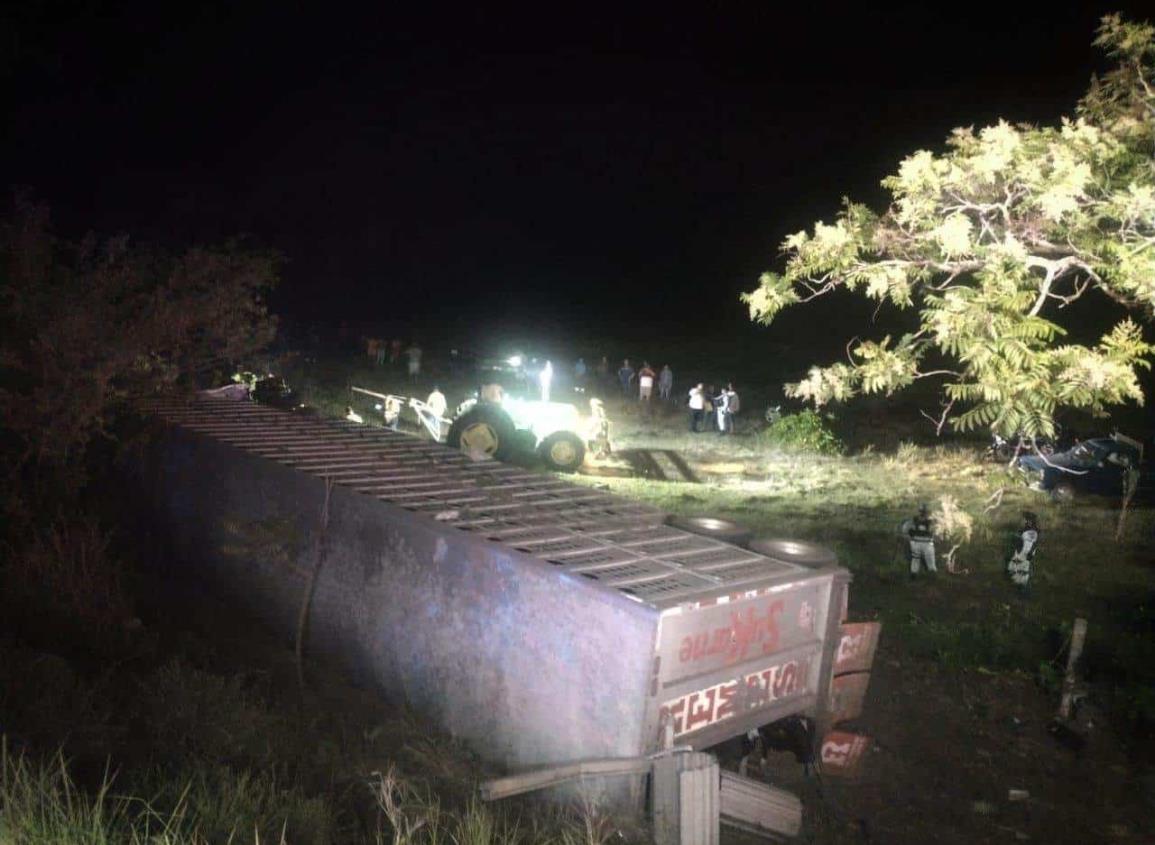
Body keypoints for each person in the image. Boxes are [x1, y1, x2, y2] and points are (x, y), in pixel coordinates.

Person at [1006, 511, 1040, 596]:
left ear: (1029, 521)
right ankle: (1020, 589)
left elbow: (1031, 543)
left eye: (1025, 519)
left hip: (1024, 553)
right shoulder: (1031, 530)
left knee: (1021, 570)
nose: (1024, 521)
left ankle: (1023, 591)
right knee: (1020, 570)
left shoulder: (1030, 531)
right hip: (1024, 553)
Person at [902, 504, 937, 578]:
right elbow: (935, 532)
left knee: (915, 559)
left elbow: (905, 529)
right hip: (927, 544)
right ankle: (932, 575)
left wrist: (908, 537)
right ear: (927, 512)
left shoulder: (913, 520)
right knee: (930, 561)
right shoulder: (931, 522)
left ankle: (914, 575)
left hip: (915, 543)